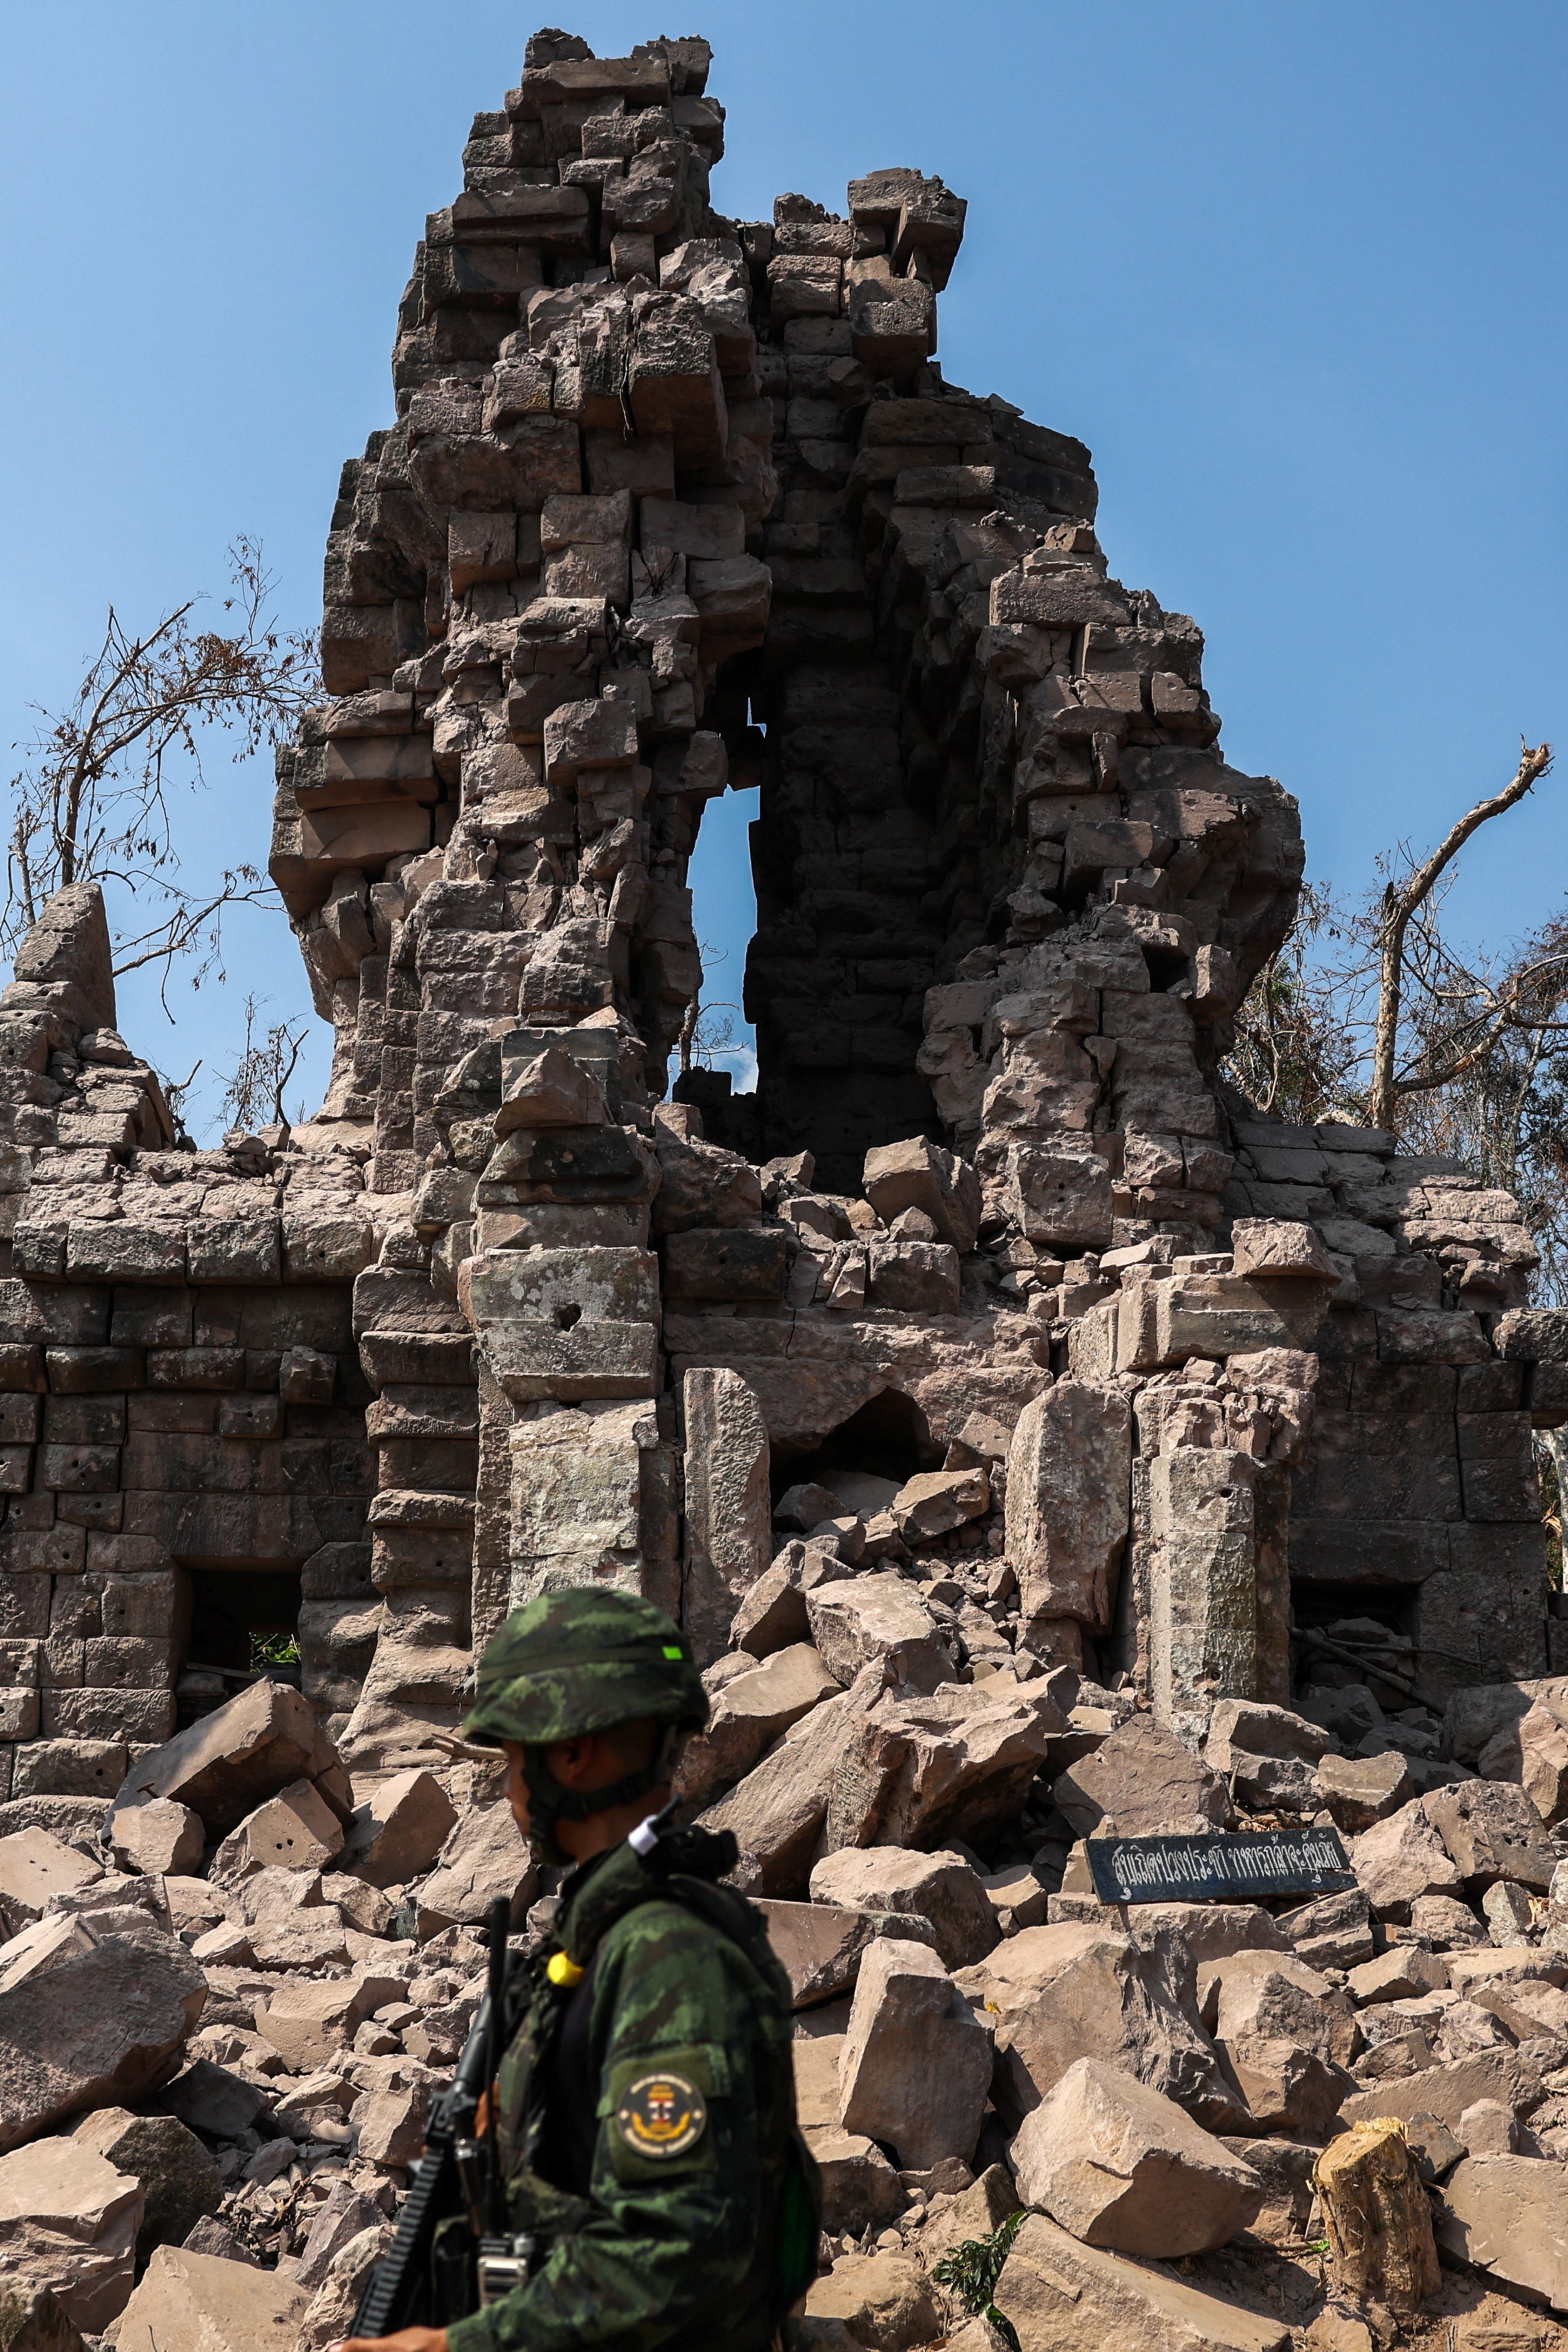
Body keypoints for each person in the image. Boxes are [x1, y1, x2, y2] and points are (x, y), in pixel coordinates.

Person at [334, 1587, 818, 2352]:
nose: (507, 1789)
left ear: (569, 1754)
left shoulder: (667, 1954)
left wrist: (457, 2348)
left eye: (513, 1762)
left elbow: (678, 2249)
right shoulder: (605, 1929)